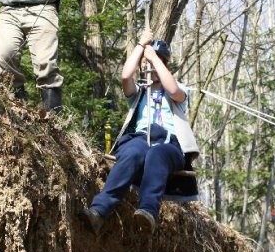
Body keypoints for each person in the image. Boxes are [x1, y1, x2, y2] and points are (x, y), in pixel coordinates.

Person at [84, 29, 199, 235]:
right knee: (132, 152)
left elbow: (173, 90)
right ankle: (99, 210)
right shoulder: (139, 93)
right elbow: (125, 76)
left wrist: (154, 58)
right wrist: (141, 46)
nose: (151, 69)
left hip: (169, 144)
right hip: (141, 138)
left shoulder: (178, 90)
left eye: (157, 65)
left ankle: (147, 210)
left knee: (157, 154)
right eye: (146, 66)